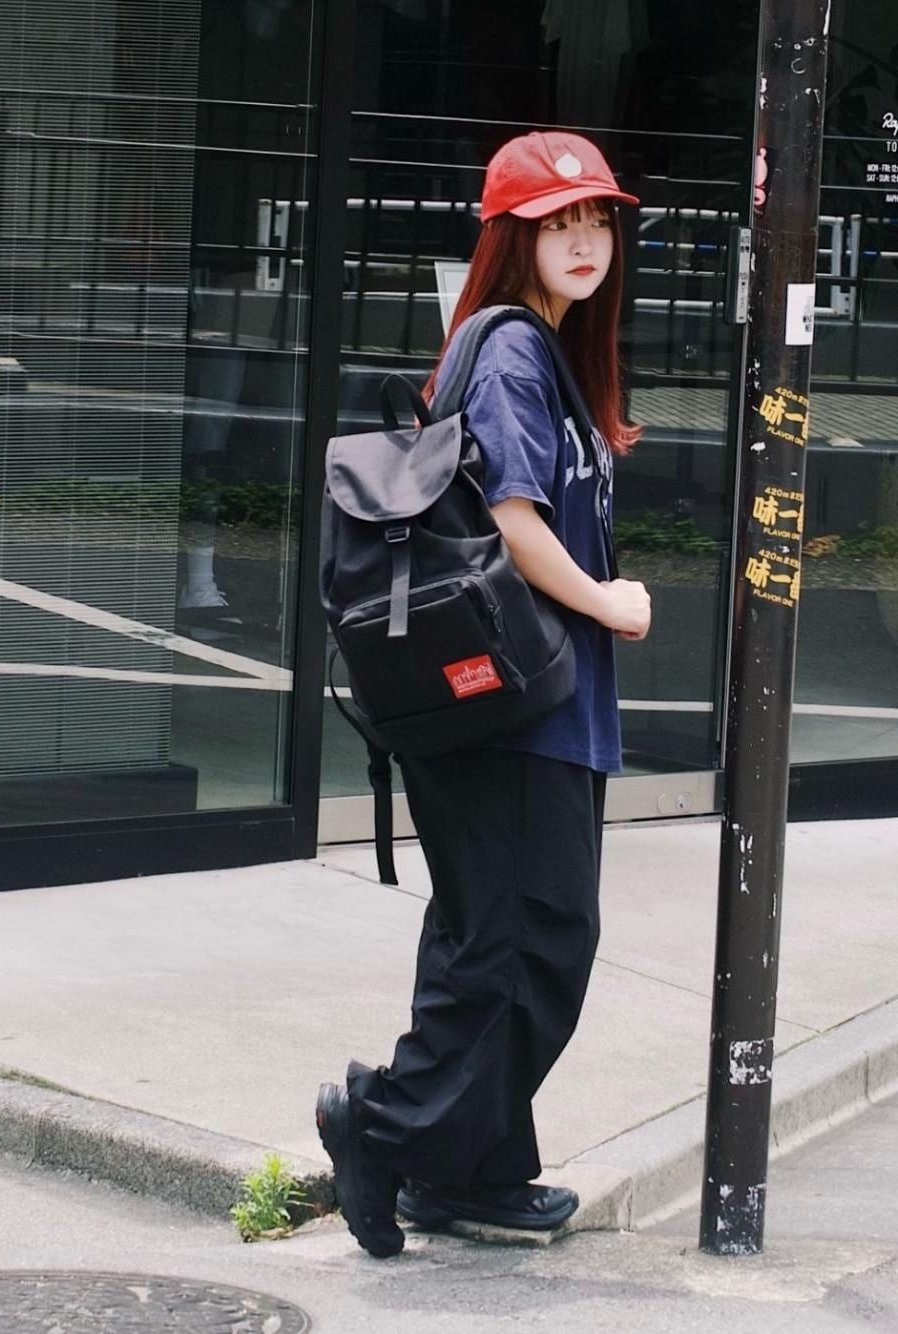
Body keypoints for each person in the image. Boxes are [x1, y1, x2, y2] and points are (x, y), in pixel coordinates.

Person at [316, 130, 652, 1258]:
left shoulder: (541, 352)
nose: (585, 240)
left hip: (524, 705)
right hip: (517, 709)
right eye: (558, 223)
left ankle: (471, 1172)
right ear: (511, 237)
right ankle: (385, 1128)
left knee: (493, 939)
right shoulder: (510, 349)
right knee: (531, 942)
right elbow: (514, 522)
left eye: (596, 220)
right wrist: (607, 602)